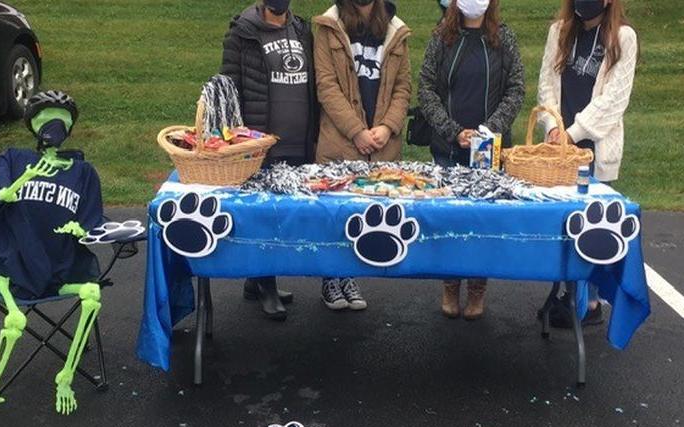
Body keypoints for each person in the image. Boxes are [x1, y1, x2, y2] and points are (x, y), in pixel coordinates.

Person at [418, 0, 525, 320]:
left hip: (488, 152)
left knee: (481, 221)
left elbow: (516, 89)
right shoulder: (442, 37)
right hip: (447, 148)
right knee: (451, 220)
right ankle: (450, 284)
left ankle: (478, 286)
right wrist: (451, 130)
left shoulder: (504, 38)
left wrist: (489, 130)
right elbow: (425, 88)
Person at [537, 0, 638, 328]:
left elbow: (614, 101)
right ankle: (564, 292)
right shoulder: (559, 32)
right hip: (559, 150)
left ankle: (589, 300)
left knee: (590, 226)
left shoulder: (623, 38)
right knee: (561, 224)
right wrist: (552, 126)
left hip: (594, 148)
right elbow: (546, 85)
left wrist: (573, 132)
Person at [221, 0, 319, 321]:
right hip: (260, 144)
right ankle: (266, 283)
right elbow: (229, 86)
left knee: (284, 216)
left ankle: (257, 279)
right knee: (265, 214)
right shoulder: (243, 33)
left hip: (298, 141)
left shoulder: (302, 30)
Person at [313, 0, 412, 311]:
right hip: (340, 142)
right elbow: (326, 87)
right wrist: (356, 131)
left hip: (381, 144)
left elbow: (403, 88)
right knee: (334, 214)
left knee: (362, 215)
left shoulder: (396, 31)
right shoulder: (328, 27)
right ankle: (331, 278)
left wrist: (388, 126)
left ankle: (349, 276)